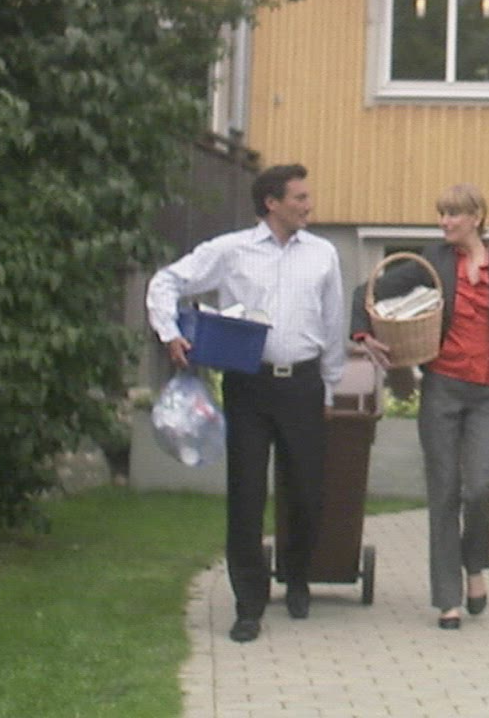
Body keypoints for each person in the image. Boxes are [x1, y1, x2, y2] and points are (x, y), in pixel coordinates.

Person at [146, 163, 347, 644]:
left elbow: (333, 322)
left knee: (306, 492)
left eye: (307, 196)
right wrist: (170, 332)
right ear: (272, 204)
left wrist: (330, 387)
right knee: (246, 496)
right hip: (249, 386)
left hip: (303, 385)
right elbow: (166, 281)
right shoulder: (231, 250)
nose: (308, 205)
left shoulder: (323, 254)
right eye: (299, 198)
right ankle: (249, 605)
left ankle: (296, 578)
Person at [353, 183, 489, 629]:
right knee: (443, 491)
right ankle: (447, 599)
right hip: (442, 389)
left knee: (478, 488)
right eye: (441, 214)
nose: (444, 222)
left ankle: (474, 565)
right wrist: (362, 332)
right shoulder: (434, 262)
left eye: (453, 214)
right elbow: (368, 290)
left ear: (476, 217)